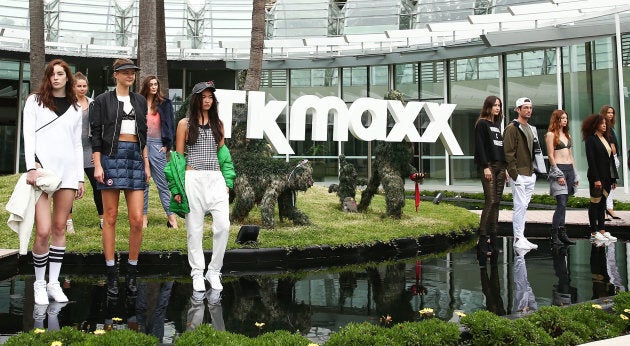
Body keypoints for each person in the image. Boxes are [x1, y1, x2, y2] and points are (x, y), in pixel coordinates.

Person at [22, 58, 84, 305]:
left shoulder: (76, 107)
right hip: (42, 173)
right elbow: (28, 136)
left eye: (60, 73)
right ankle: (39, 283)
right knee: (44, 230)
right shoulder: (34, 101)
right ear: (47, 78)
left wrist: (79, 177)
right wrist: (31, 167)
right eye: (52, 74)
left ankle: (54, 284)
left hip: (68, 173)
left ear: (67, 77)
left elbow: (78, 144)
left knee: (60, 228)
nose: (56, 77)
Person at [90, 58, 150, 297]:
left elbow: (144, 134)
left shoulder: (140, 101)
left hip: (135, 157)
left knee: (136, 220)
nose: (130, 76)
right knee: (111, 217)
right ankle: (111, 272)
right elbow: (95, 135)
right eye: (125, 72)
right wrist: (97, 164)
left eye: (133, 72)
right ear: (115, 75)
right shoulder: (102, 101)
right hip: (110, 157)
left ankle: (132, 270)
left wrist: (145, 163)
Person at [172, 81, 235, 292]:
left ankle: (214, 271)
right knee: (194, 229)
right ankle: (197, 273)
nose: (207, 100)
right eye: (203, 96)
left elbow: (224, 156)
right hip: (193, 178)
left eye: (210, 97)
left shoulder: (219, 124)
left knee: (223, 226)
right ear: (195, 99)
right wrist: (176, 189)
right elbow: (178, 159)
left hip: (216, 179)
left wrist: (227, 182)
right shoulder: (185, 124)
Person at [503, 97, 546, 250]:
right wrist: (514, 174)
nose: (528, 110)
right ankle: (517, 239)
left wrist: (535, 172)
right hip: (519, 174)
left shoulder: (531, 128)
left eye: (530, 108)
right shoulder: (512, 128)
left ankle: (521, 237)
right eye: (525, 107)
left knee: (524, 207)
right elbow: (508, 153)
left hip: (530, 174)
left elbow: (535, 152)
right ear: (518, 110)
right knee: (519, 206)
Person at [139, 75, 177, 229]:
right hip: (140, 144)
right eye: (151, 84)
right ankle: (144, 218)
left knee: (162, 183)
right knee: (144, 183)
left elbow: (170, 124)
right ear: (146, 86)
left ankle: (171, 218)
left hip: (157, 145)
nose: (154, 87)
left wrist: (167, 145)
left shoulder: (165, 103)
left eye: (156, 84)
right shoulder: (138, 102)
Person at [67, 72, 103, 232]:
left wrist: (98, 154)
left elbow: (98, 129)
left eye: (84, 86)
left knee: (98, 187)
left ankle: (103, 220)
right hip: (70, 150)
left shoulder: (93, 103)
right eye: (78, 86)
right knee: (68, 187)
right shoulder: (67, 103)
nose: (82, 89)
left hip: (89, 149)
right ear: (73, 87)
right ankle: (68, 222)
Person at [474, 95, 506, 257]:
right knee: (490, 201)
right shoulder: (482, 124)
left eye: (499, 105)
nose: (497, 108)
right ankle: (482, 241)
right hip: (489, 167)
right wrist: (485, 167)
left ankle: (493, 241)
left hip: (501, 167)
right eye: (494, 105)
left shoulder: (496, 124)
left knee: (497, 203)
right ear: (488, 107)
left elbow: (499, 147)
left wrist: (505, 168)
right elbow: (480, 147)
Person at [581, 113, 618, 242]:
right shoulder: (591, 139)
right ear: (595, 124)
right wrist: (596, 179)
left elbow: (611, 160)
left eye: (605, 123)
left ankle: (602, 230)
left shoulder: (606, 138)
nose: (604, 125)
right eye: (602, 123)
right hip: (596, 177)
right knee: (595, 204)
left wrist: (613, 178)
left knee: (603, 204)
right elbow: (591, 160)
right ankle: (594, 231)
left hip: (607, 176)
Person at [545, 110, 578, 246]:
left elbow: (571, 156)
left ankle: (562, 233)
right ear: (556, 119)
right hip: (558, 169)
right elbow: (551, 156)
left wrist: (575, 174)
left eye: (566, 118)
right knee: (561, 203)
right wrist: (558, 174)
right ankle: (554, 234)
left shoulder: (567, 135)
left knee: (565, 204)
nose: (565, 120)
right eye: (562, 118)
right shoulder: (550, 135)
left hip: (569, 169)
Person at [600, 105, 622, 220]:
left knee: (611, 186)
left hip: (614, 159)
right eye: (608, 112)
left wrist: (615, 157)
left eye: (612, 113)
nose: (610, 114)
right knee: (606, 186)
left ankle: (609, 208)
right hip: (608, 160)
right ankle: (605, 209)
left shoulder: (611, 128)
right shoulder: (602, 128)